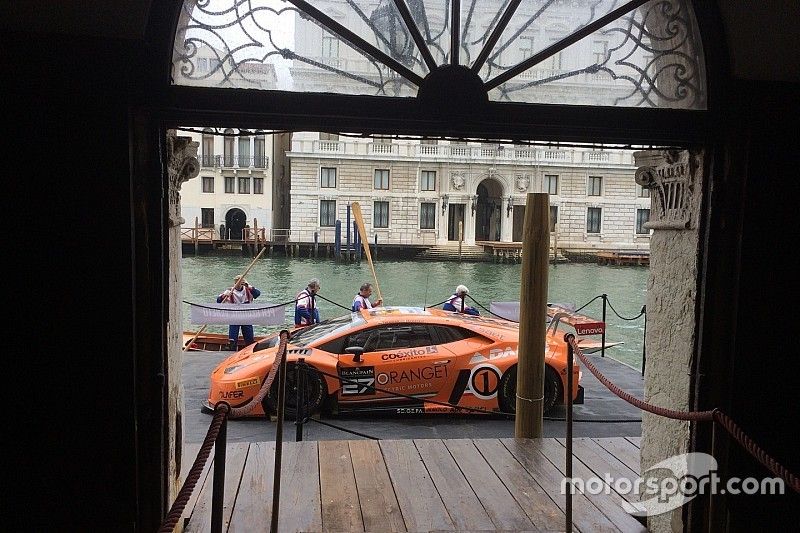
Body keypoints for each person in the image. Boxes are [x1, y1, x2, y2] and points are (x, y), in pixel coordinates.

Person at [216, 275, 261, 349]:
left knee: (249, 337)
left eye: (241, 283)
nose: (239, 284)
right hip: (234, 316)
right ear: (235, 283)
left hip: (246, 315)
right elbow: (218, 301)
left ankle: (249, 349)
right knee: (232, 339)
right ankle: (232, 349)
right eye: (238, 283)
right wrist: (224, 296)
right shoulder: (230, 291)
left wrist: (249, 286)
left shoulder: (248, 289)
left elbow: (257, 294)